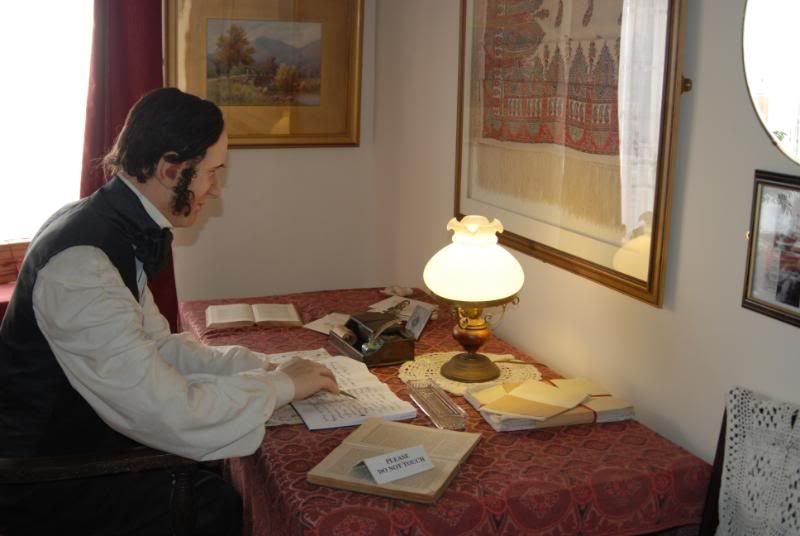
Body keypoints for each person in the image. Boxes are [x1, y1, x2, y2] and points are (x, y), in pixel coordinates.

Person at [0, 87, 339, 535]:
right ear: (170, 169)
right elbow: (168, 413)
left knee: (218, 473)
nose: (215, 190)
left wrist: (264, 366)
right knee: (213, 502)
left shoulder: (102, 225)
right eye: (212, 173)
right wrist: (279, 385)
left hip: (83, 439)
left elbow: (156, 348)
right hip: (44, 481)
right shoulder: (82, 265)